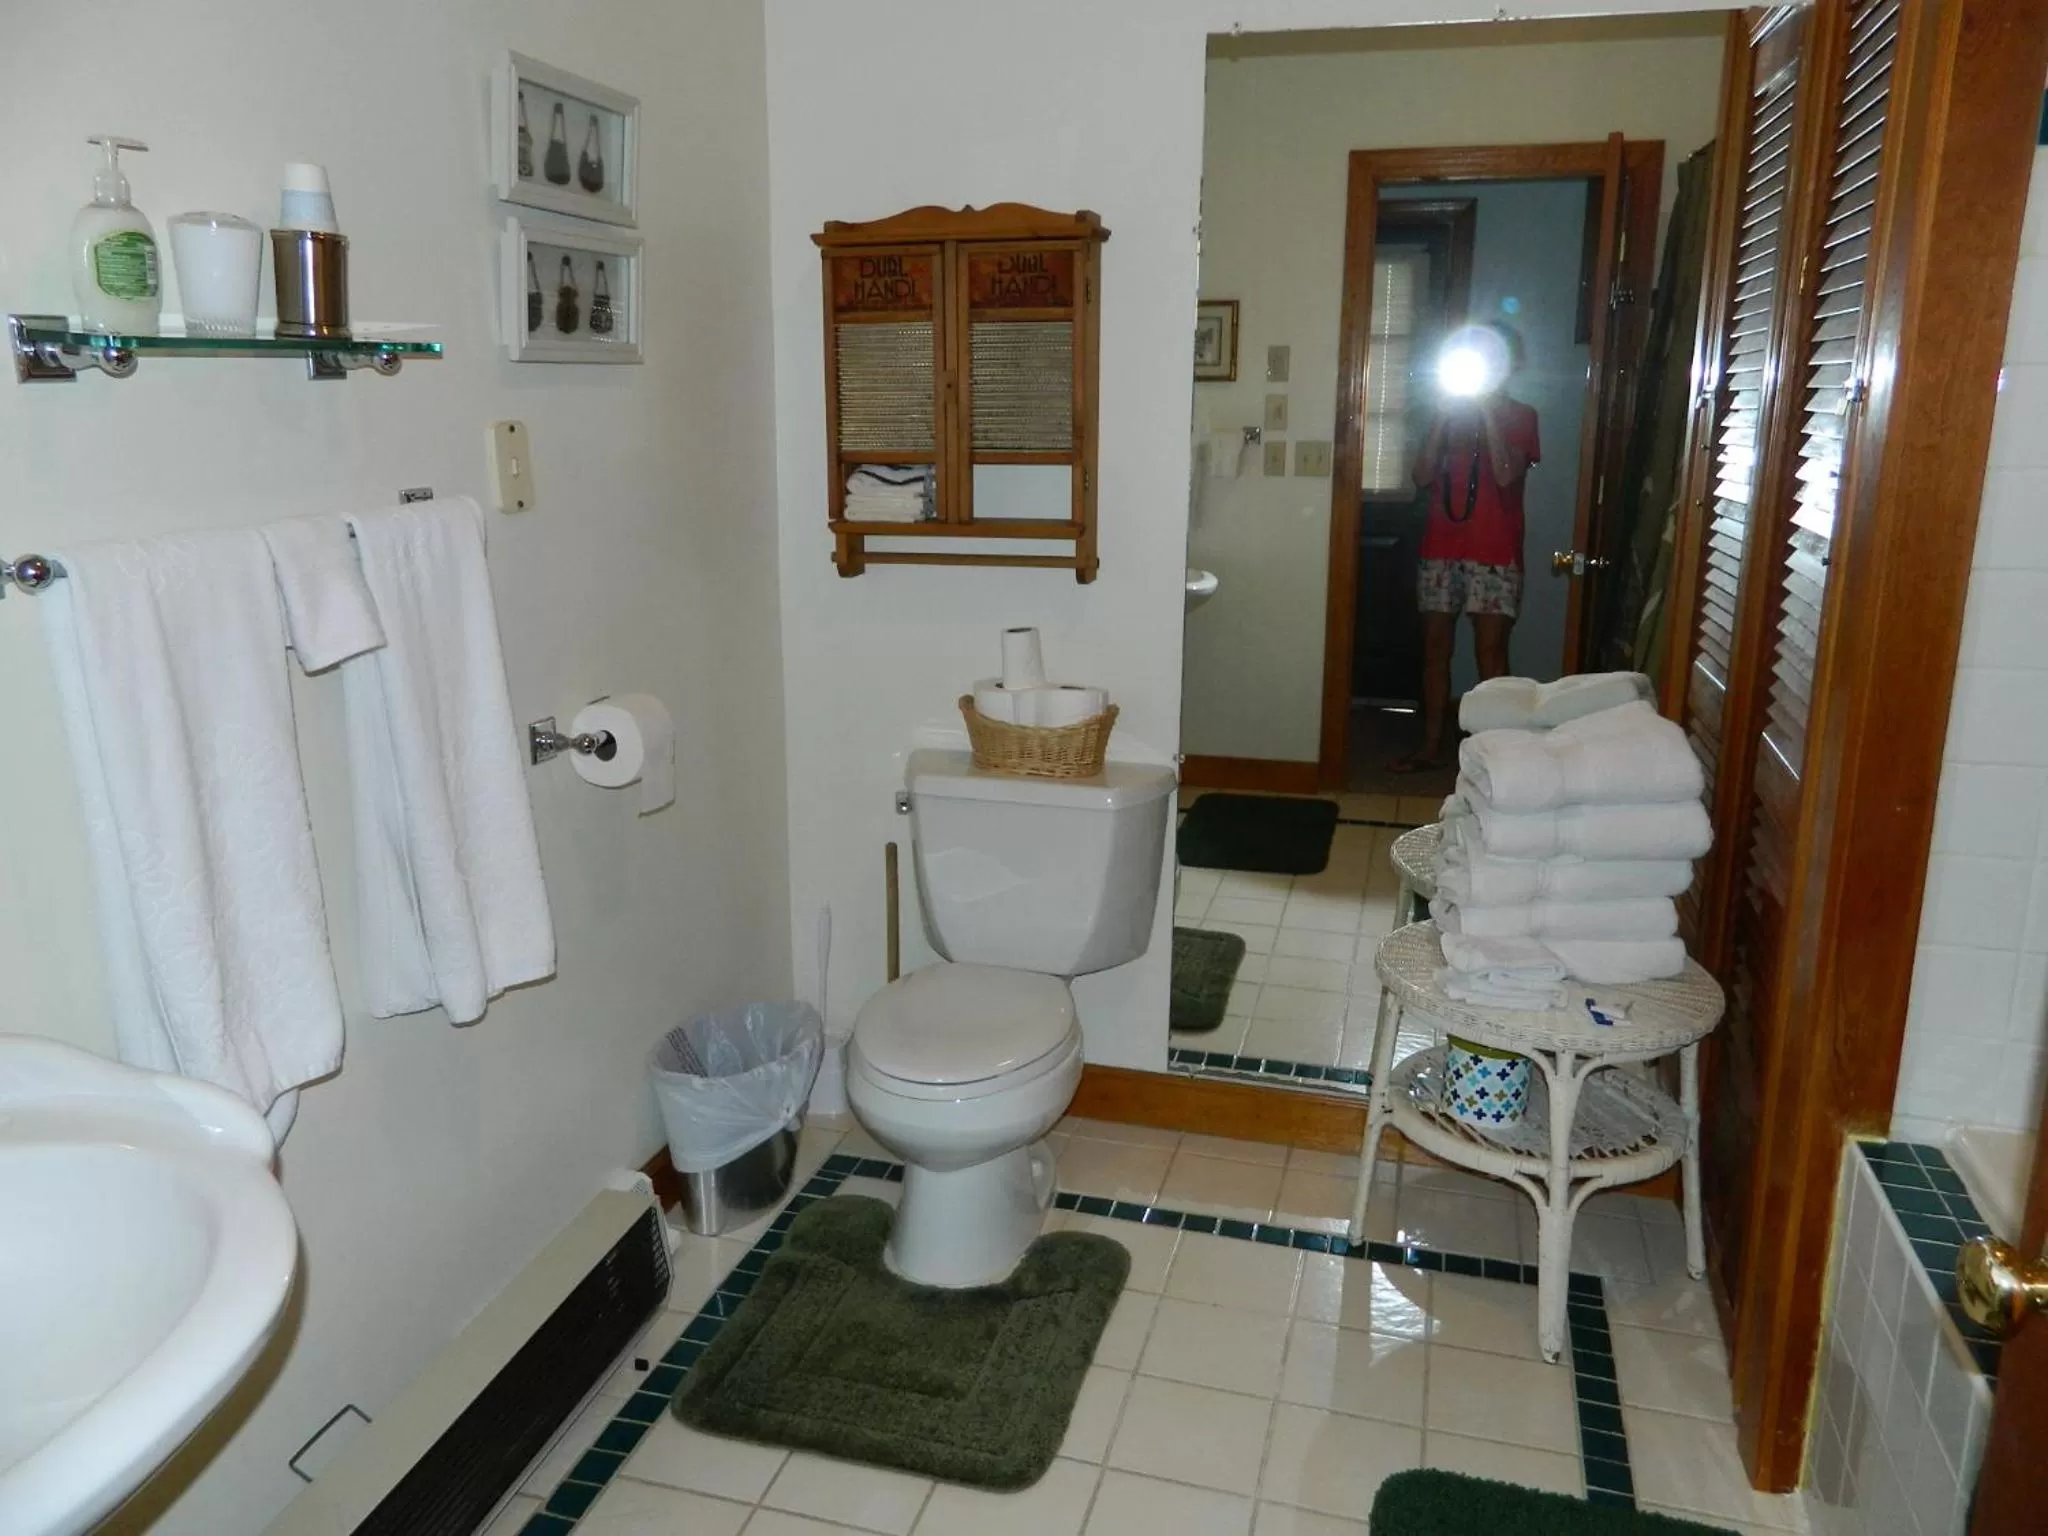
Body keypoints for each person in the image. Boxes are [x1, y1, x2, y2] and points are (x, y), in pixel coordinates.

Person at [1392, 322, 1540, 773]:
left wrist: (1486, 412)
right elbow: (1419, 477)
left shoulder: (1522, 416)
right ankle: (1431, 745)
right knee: (1435, 648)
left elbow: (1505, 474)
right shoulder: (1444, 414)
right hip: (1440, 548)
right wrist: (1443, 415)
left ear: (1509, 364)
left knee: (1490, 654)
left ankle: (1500, 756)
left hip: (1494, 551)